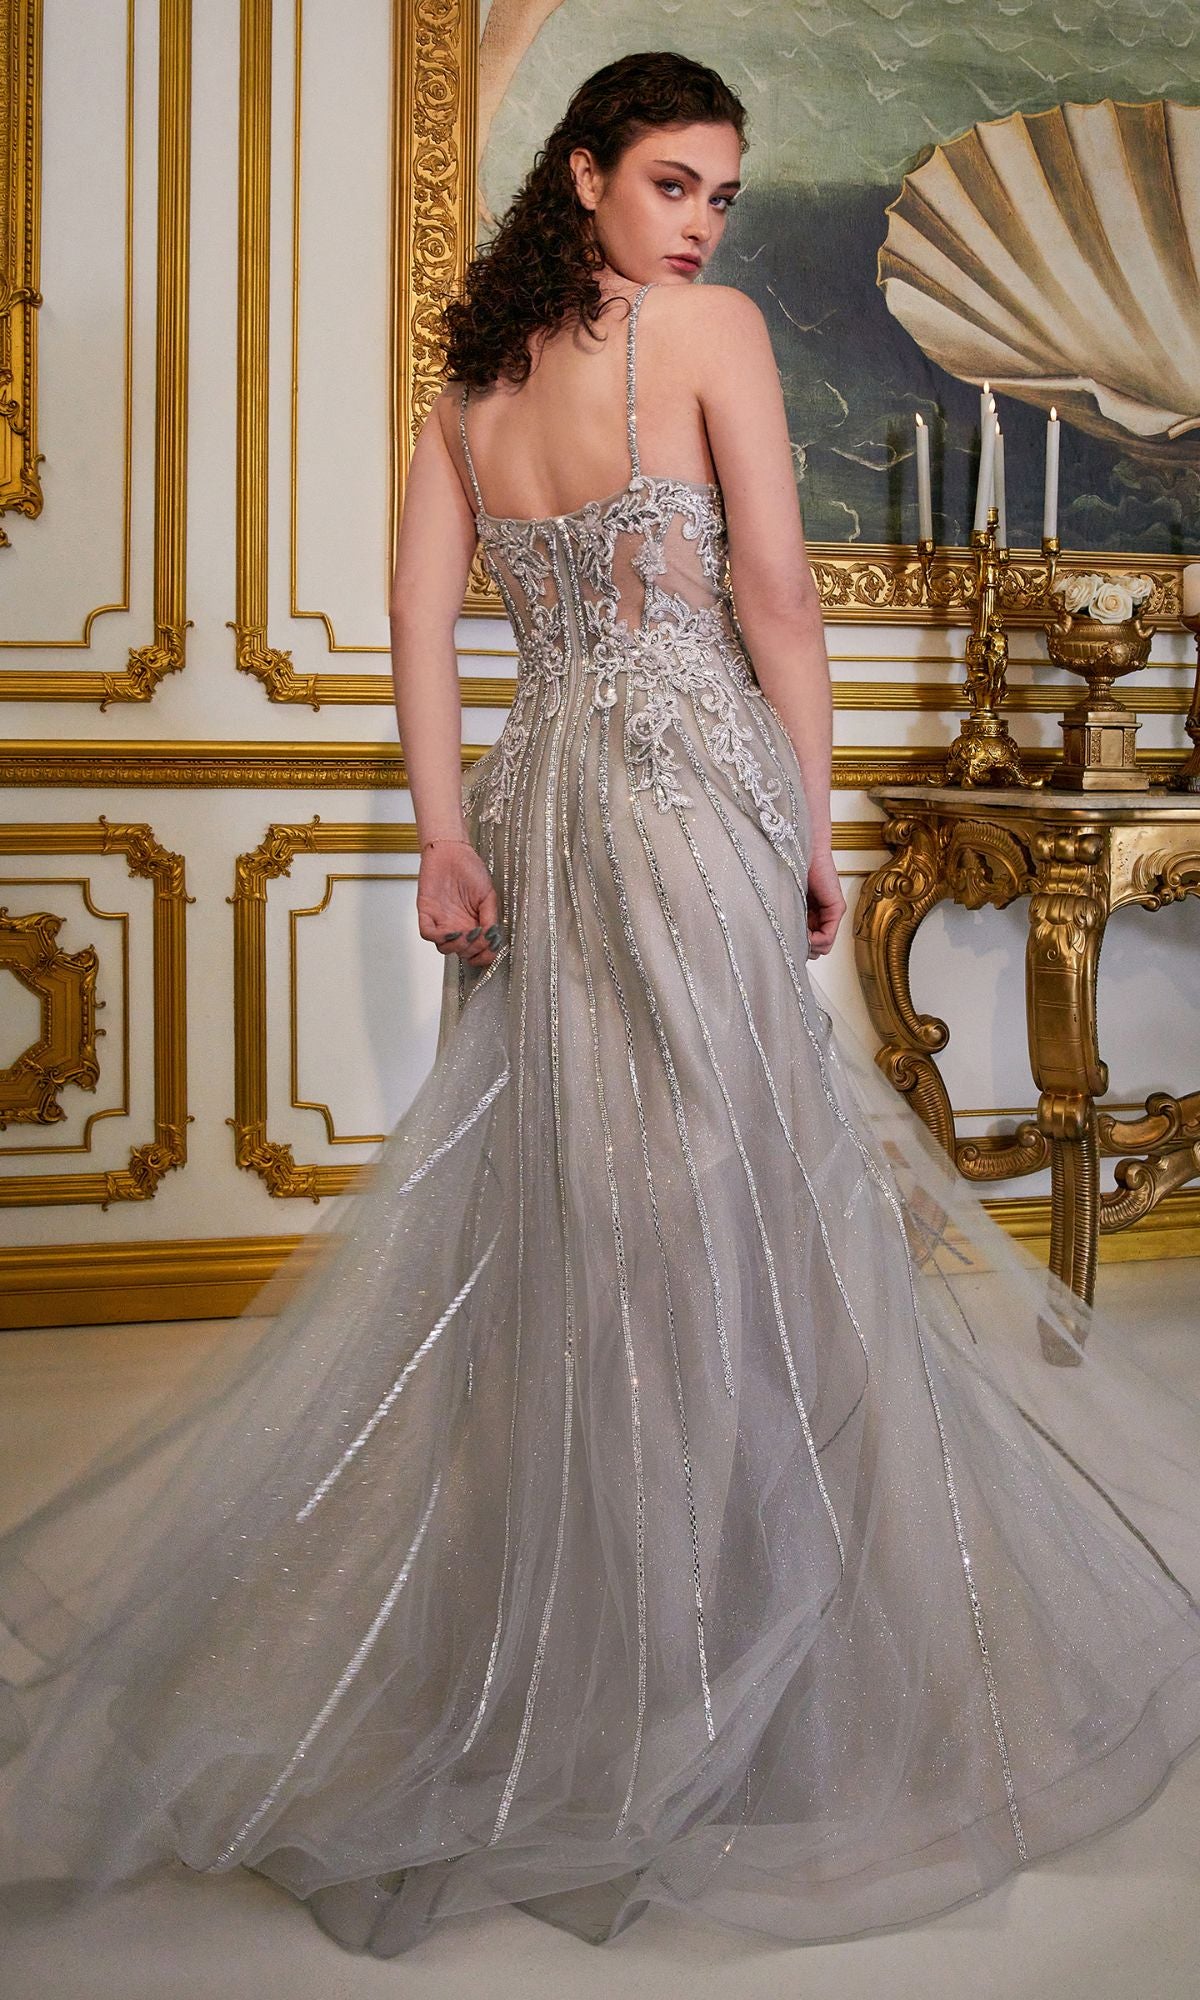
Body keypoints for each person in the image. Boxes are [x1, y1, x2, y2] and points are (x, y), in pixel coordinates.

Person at [1, 48, 1199, 1965]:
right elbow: (782, 603)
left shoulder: (472, 389)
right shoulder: (702, 335)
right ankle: (734, 1651)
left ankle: (630, 1628)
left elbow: (416, 617)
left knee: (603, 1204)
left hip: (550, 801)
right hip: (686, 797)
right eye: (673, 182)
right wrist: (810, 828)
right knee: (719, 1197)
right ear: (582, 178)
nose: (704, 222)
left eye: (721, 192)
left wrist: (446, 837)